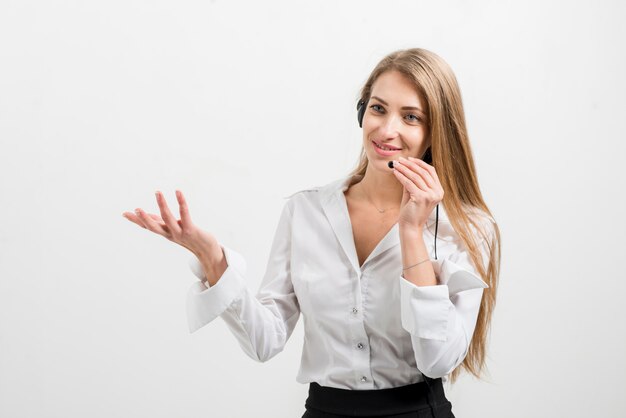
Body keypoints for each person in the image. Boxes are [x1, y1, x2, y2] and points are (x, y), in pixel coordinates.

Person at [123, 47, 502, 418]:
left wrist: (412, 231)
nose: (388, 130)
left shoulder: (467, 229)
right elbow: (264, 341)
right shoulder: (305, 212)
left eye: (411, 117)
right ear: (361, 113)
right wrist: (213, 260)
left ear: (436, 132)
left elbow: (436, 361)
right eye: (378, 108)